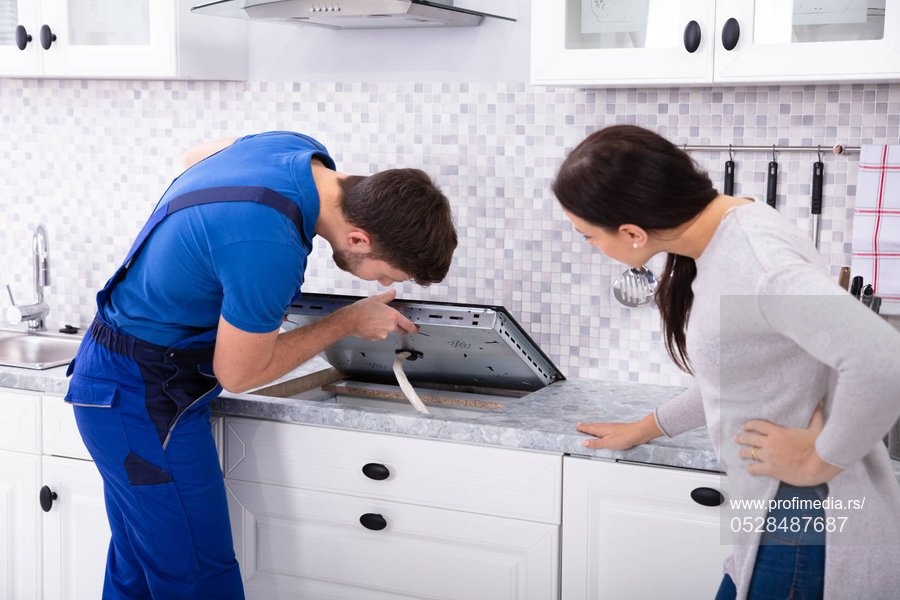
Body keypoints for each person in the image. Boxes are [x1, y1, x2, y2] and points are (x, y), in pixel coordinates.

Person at [64, 131, 458, 599]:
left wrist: (211, 262)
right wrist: (345, 321)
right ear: (358, 237)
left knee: (140, 573)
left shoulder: (294, 151)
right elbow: (240, 374)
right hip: (141, 398)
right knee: (198, 579)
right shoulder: (269, 246)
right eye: (387, 275)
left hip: (117, 381)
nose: (383, 283)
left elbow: (196, 159)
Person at [552, 124, 900, 600]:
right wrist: (647, 427)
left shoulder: (753, 264)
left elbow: (883, 360)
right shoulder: (734, 228)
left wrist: (820, 459)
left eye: (587, 236)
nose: (589, 245)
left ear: (632, 233)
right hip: (774, 510)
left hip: (798, 517)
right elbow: (746, 373)